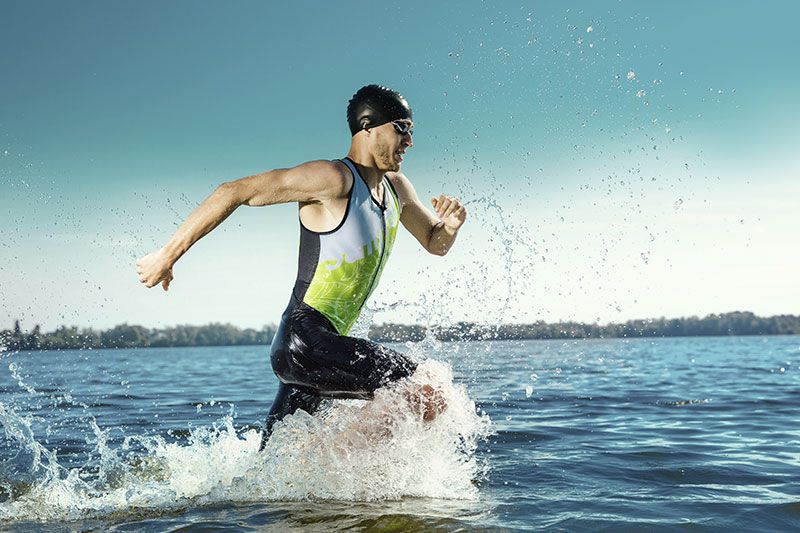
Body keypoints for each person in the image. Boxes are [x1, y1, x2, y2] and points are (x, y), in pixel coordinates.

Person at [135, 85, 467, 449]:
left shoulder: (396, 189)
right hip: (305, 341)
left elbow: (435, 243)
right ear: (368, 126)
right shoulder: (333, 179)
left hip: (321, 349)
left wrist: (448, 226)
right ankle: (340, 462)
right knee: (428, 390)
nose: (410, 141)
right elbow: (233, 191)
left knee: (273, 467)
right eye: (402, 128)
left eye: (412, 130)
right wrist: (166, 256)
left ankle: (306, 482)